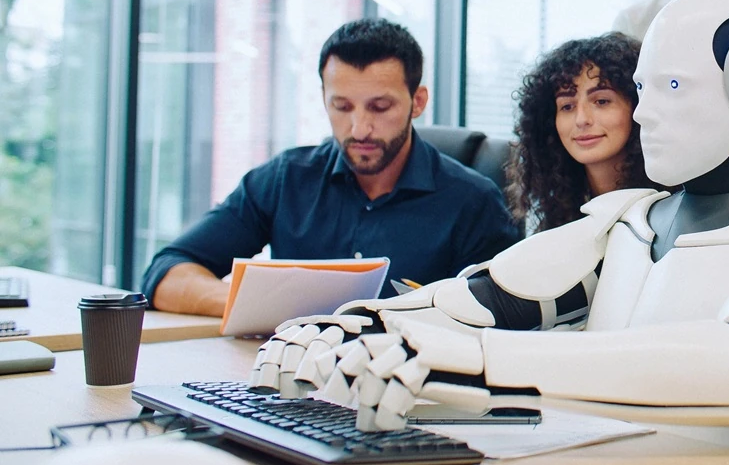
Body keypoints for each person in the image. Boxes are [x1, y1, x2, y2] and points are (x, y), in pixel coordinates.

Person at [249, 0, 729, 440]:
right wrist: (355, 326)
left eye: (672, 87)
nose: (645, 113)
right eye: (644, 89)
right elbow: (483, 297)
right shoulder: (627, 221)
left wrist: (474, 363)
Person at [141, 19, 520, 316]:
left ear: (417, 102)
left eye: (380, 107)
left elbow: (503, 318)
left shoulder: (474, 202)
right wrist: (265, 308)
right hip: (290, 377)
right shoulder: (286, 179)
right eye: (342, 107)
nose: (359, 128)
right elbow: (165, 273)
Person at [505, 32, 657, 233]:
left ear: (638, 106)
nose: (582, 119)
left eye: (601, 101)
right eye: (567, 106)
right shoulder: (554, 210)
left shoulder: (672, 206)